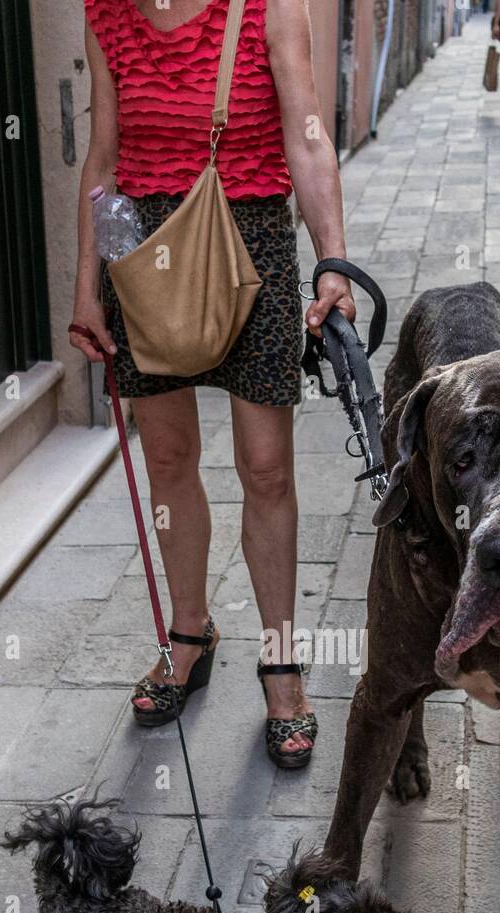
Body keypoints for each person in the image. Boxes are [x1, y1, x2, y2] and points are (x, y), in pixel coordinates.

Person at [71, 0, 356, 770]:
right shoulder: (106, 14)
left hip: (250, 239)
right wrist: (86, 289)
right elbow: (102, 162)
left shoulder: (266, 7)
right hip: (141, 249)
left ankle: (280, 662)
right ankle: (190, 631)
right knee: (167, 461)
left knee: (265, 468)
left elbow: (307, 136)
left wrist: (331, 257)